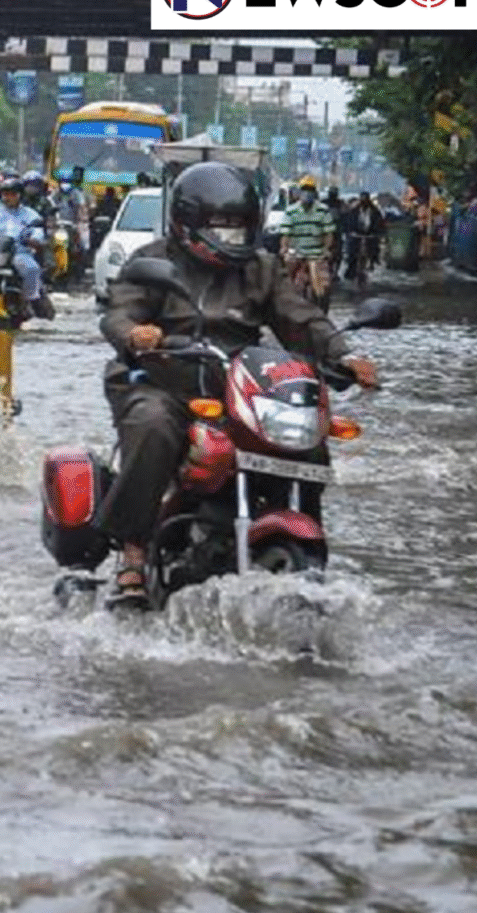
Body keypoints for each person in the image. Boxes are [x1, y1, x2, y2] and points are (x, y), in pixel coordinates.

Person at [94, 161, 379, 605]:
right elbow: (119, 311)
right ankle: (134, 549)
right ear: (186, 224)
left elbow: (299, 318)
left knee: (306, 433)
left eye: (239, 229)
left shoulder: (261, 269)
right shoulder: (152, 261)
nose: (232, 240)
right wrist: (134, 333)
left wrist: (344, 355)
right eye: (221, 230)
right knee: (152, 426)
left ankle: (299, 526)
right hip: (161, 377)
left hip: (235, 385)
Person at [0, 177, 45, 317]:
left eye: (12, 194)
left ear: (20, 196)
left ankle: (31, 299)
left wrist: (33, 239)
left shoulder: (31, 215)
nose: (8, 198)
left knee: (32, 268)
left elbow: (38, 232)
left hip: (19, 254)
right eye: (5, 194)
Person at [279, 177, 336, 308]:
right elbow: (286, 234)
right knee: (286, 279)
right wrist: (284, 248)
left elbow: (328, 233)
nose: (307, 193)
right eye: (304, 190)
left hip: (317, 254)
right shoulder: (291, 211)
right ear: (299, 192)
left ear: (315, 193)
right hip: (296, 253)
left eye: (310, 190)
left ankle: (321, 307)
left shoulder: (323, 210)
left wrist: (326, 249)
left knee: (322, 287)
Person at [344, 191, 383, 280]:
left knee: (373, 248)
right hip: (356, 235)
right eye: (362, 200)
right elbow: (349, 222)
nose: (364, 202)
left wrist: (377, 232)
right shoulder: (354, 211)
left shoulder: (374, 211)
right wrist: (351, 232)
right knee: (352, 253)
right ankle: (351, 269)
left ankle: (373, 261)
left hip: (370, 235)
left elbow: (379, 223)